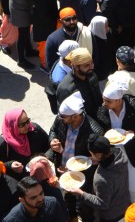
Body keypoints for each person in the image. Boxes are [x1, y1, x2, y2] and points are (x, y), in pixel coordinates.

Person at [47, 92, 103, 220]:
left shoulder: (95, 132)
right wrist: (52, 140)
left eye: (64, 117)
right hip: (62, 169)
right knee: (68, 201)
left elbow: (96, 159)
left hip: (82, 176)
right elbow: (53, 130)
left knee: (84, 206)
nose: (60, 118)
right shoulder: (61, 119)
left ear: (75, 117)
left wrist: (75, 170)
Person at [97, 83, 135, 202]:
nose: (104, 104)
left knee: (134, 187)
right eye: (103, 100)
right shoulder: (103, 110)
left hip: (133, 153)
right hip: (113, 154)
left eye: (108, 101)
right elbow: (100, 127)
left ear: (118, 100)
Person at [65, 135, 130, 220]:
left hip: (111, 215)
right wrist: (98, 161)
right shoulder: (121, 155)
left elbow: (102, 204)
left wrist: (81, 194)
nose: (90, 156)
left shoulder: (102, 179)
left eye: (91, 154)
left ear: (99, 155)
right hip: (125, 205)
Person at [0, 108, 49, 180]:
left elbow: (48, 146)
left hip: (43, 173)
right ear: (12, 126)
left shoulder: (34, 130)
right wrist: (10, 165)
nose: (27, 126)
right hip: (21, 183)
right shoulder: (0, 145)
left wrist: (45, 158)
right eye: (21, 125)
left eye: (27, 121)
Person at [56, 48, 102, 117]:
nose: (91, 67)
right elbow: (67, 117)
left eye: (92, 63)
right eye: (86, 65)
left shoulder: (91, 75)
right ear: (75, 67)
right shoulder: (66, 89)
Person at [2, 177, 67, 222]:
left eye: (41, 193)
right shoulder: (11, 219)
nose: (40, 199)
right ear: (22, 200)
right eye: (33, 197)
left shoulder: (53, 203)